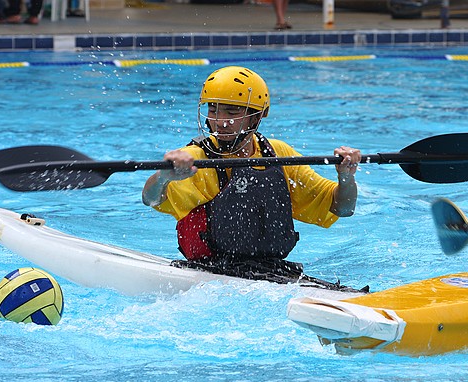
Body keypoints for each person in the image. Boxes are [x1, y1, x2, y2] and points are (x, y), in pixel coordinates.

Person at [142, 66, 362, 286]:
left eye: (232, 112)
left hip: (271, 272)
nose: (220, 121)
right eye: (213, 109)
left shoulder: (277, 154)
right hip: (209, 273)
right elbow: (150, 199)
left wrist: (346, 177)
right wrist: (163, 177)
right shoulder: (195, 159)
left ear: (257, 117)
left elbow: (343, 209)